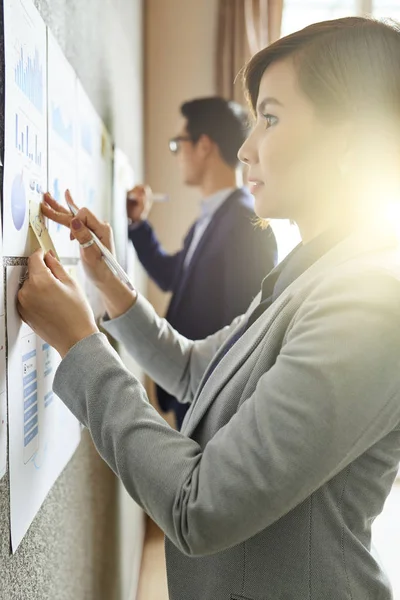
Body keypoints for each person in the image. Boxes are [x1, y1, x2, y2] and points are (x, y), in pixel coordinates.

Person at [19, 17, 400, 600]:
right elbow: (199, 371)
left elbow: (201, 507)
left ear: (351, 141)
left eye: (270, 118)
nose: (245, 148)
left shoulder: (368, 303)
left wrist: (81, 348)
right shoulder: (311, 272)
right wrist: (108, 279)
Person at [126, 96, 277, 428]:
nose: (177, 155)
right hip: (190, 391)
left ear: (204, 145)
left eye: (178, 144)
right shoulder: (208, 220)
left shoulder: (247, 223)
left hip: (215, 401)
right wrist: (138, 225)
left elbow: (249, 325)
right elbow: (173, 278)